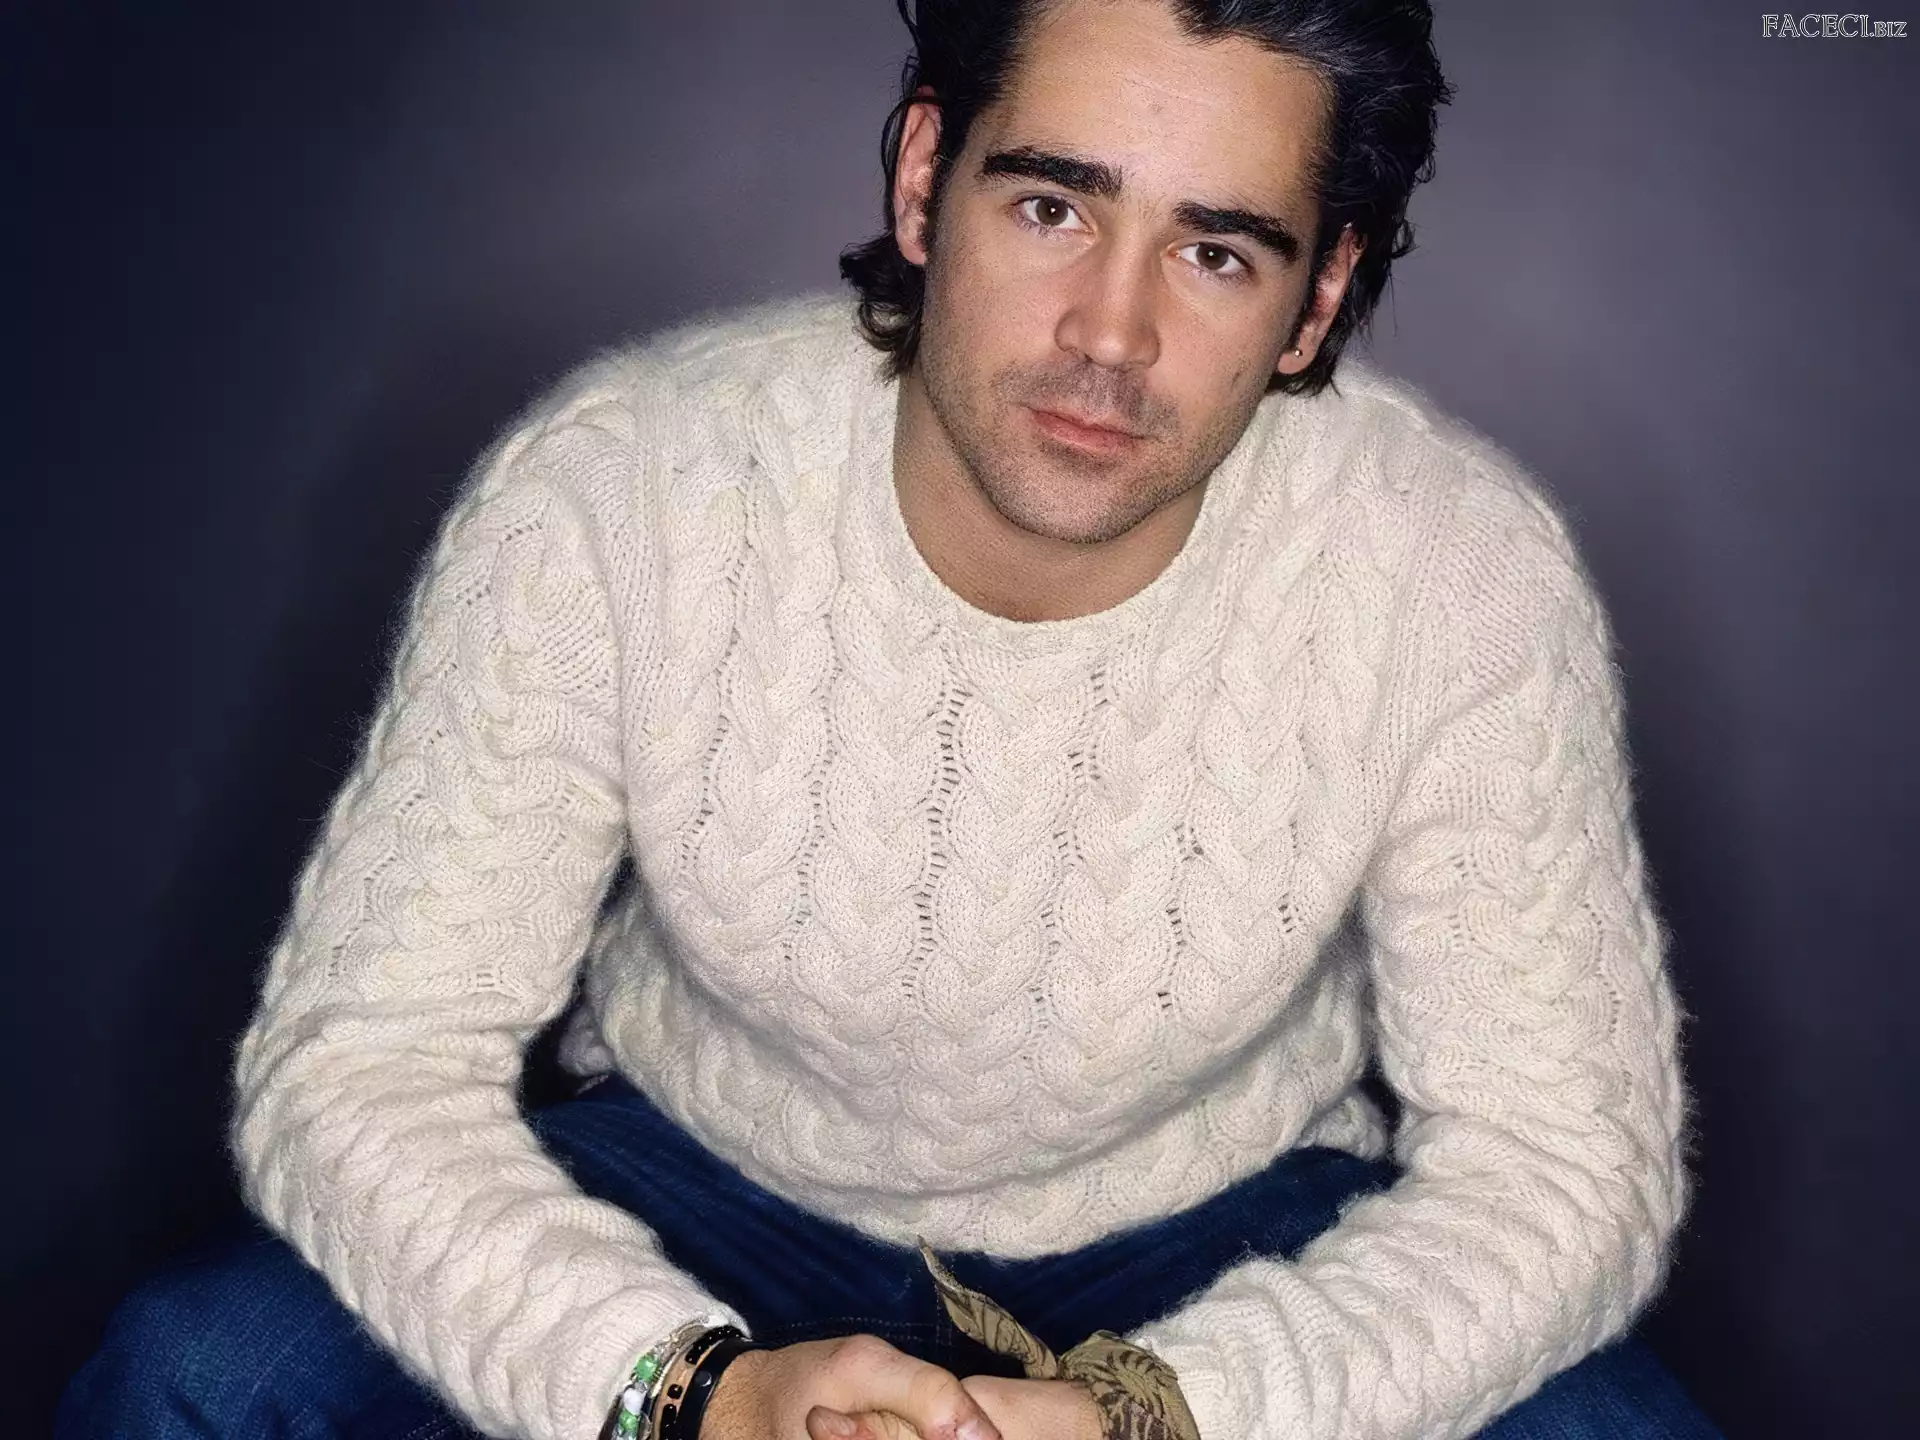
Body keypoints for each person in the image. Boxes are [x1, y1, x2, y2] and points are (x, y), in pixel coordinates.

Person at [59, 2, 1722, 1437]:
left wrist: (1170, 1411)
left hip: (1217, 1222)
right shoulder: (624, 488)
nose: (1111, 333)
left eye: (1217, 252)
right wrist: (679, 1396)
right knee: (200, 1371)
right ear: (926, 177)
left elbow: (1563, 1166)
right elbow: (363, 1063)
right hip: (706, 1185)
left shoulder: (1457, 573)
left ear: (1318, 293)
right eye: (1053, 205)